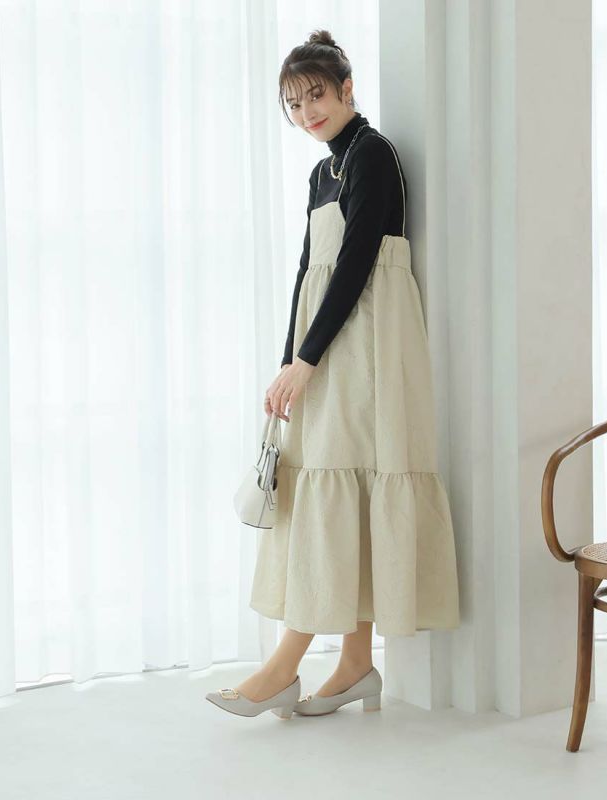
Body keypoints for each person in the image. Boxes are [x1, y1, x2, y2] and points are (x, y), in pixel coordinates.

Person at [206, 29, 460, 719]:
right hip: (326, 349)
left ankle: (283, 669)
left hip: (365, 344)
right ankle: (353, 665)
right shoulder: (324, 172)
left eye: (316, 95)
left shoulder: (373, 154)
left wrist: (308, 360)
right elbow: (306, 274)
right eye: (293, 103)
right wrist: (288, 360)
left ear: (347, 89)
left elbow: (355, 268)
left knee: (344, 483)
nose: (306, 112)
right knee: (341, 485)